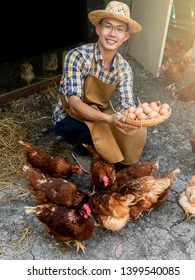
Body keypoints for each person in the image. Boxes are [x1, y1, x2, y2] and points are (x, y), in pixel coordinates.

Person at [52, 1, 147, 173]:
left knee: (137, 131)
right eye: (108, 26)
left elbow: (127, 104)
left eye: (119, 29)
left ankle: (112, 152)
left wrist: (131, 119)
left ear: (125, 36)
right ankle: (80, 151)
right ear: (98, 29)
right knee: (101, 126)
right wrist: (109, 120)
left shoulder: (123, 68)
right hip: (69, 117)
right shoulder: (78, 56)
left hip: (97, 111)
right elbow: (74, 103)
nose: (112, 34)